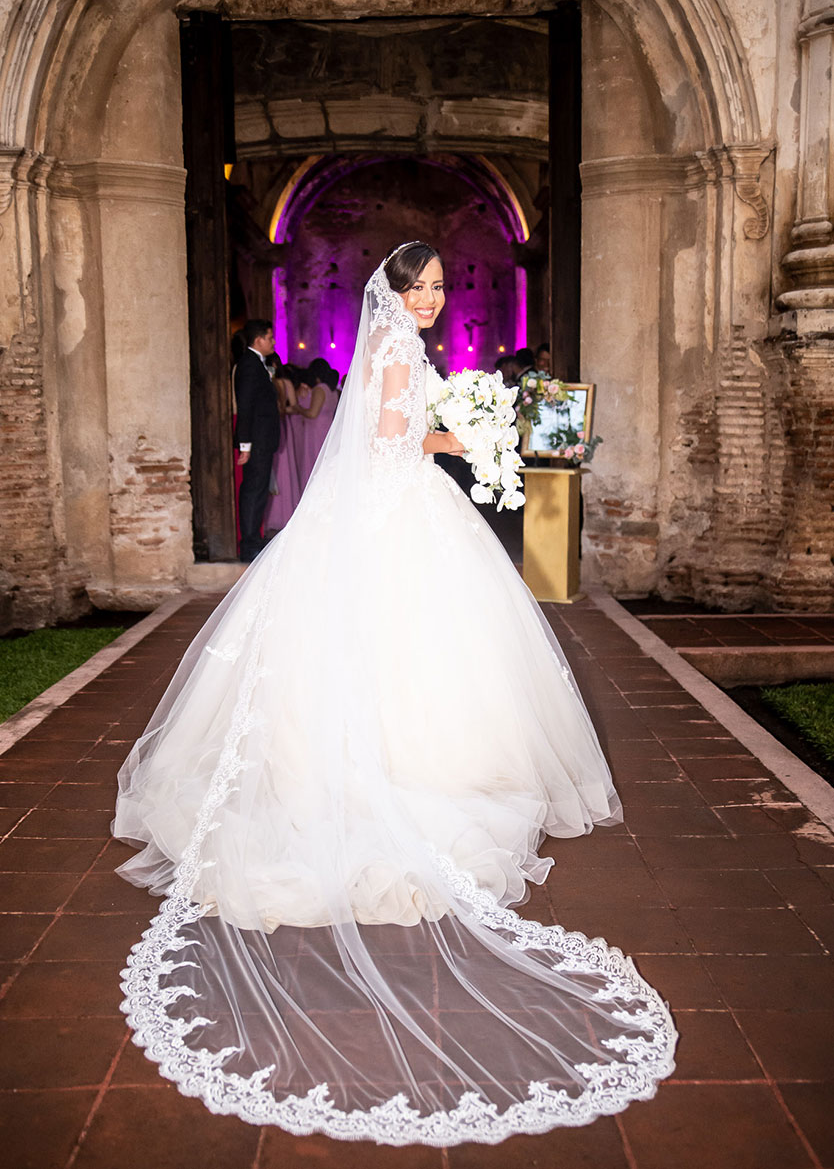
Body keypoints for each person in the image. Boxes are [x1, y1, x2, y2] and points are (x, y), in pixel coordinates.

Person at [113, 242, 676, 1144]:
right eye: (421, 287)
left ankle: (429, 764)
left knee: (441, 653)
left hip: (400, 512)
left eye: (443, 286)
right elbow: (384, 441)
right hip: (394, 516)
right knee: (404, 645)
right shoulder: (389, 352)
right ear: (394, 293)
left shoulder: (403, 352)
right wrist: (461, 437)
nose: (433, 298)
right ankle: (389, 777)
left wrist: (459, 427)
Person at [233, 318, 281, 562]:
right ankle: (249, 543)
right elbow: (246, 406)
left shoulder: (259, 363)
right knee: (253, 489)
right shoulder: (249, 365)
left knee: (259, 489)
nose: (273, 342)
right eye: (270, 337)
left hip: (263, 440)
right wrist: (245, 445)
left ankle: (254, 538)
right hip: (256, 441)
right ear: (258, 339)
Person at [262, 353, 300, 537]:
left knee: (275, 469)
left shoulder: (270, 383)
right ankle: (285, 513)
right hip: (283, 426)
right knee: (284, 470)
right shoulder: (286, 384)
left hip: (272, 426)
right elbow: (293, 406)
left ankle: (271, 517)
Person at [294, 357, 340, 489]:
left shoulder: (320, 389)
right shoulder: (333, 390)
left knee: (314, 463)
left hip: (316, 431)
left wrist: (298, 408)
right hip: (328, 429)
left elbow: (312, 413)